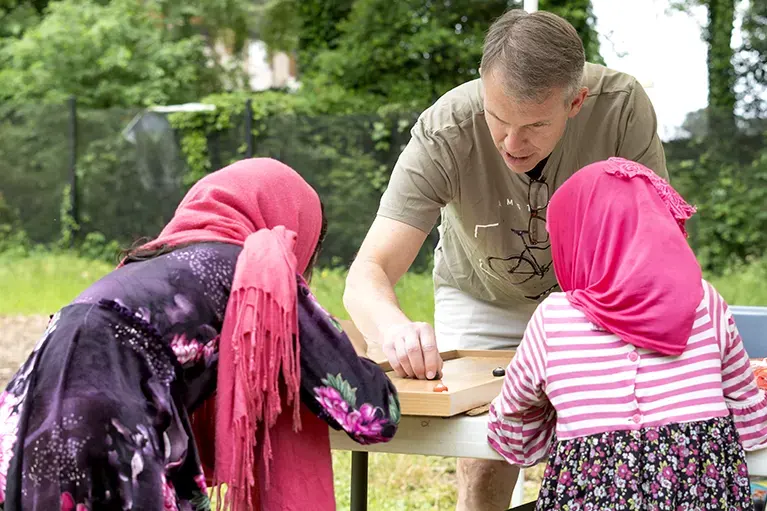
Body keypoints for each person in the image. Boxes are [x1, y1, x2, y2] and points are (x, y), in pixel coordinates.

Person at [343, 8, 668, 510]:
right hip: (482, 294)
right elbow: (368, 274)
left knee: (610, 444)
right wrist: (394, 330)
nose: (513, 144)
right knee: (484, 456)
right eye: (498, 120)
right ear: (482, 85)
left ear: (576, 102)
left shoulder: (621, 108)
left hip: (592, 304)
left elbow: (652, 251)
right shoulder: (445, 129)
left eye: (535, 125)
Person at [0, 158, 400, 511]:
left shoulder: (150, 265)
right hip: (106, 425)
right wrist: (362, 356)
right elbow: (370, 417)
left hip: (20, 420)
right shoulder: (258, 269)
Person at [488, 157, 767, 510]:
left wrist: (564, 420)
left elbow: (513, 430)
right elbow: (752, 423)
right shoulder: (705, 300)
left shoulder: (552, 319)